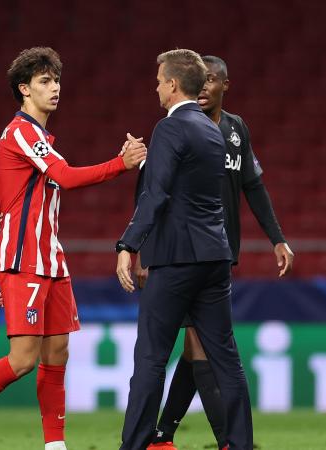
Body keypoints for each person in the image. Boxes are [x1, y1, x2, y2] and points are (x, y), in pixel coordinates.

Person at [0, 47, 146, 450]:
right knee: (23, 359)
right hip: (23, 258)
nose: (55, 88)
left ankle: (55, 445)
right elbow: (66, 178)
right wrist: (120, 164)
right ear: (24, 89)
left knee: (58, 353)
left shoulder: (44, 138)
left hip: (51, 259)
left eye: (56, 80)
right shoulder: (20, 131)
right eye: (44, 82)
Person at [146, 56, 295, 450]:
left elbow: (254, 187)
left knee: (200, 346)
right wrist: (145, 249)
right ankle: (222, 440)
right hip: (184, 253)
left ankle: (165, 435)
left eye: (214, 81)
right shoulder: (178, 129)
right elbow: (156, 193)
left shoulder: (236, 129)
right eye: (203, 80)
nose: (207, 87)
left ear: (225, 86)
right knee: (201, 346)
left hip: (219, 252)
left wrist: (276, 237)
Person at [115, 49, 253, 450]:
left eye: (160, 80)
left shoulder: (170, 128)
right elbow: (186, 189)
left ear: (173, 84)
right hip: (215, 257)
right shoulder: (213, 130)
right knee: (226, 357)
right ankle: (240, 443)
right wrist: (148, 162)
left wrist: (128, 244)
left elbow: (157, 195)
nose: (157, 87)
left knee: (151, 358)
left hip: (176, 258)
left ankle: (137, 444)